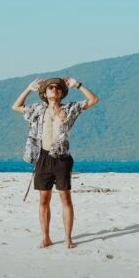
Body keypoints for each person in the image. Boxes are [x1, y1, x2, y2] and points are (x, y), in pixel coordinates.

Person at [11, 76, 99, 248]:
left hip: (62, 158)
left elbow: (93, 100)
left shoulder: (69, 108)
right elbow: (16, 106)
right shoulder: (37, 109)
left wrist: (77, 84)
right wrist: (29, 88)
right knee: (44, 199)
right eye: (50, 87)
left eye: (57, 88)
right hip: (42, 157)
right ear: (44, 93)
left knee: (65, 197)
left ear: (61, 93)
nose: (54, 89)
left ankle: (68, 239)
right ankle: (46, 238)